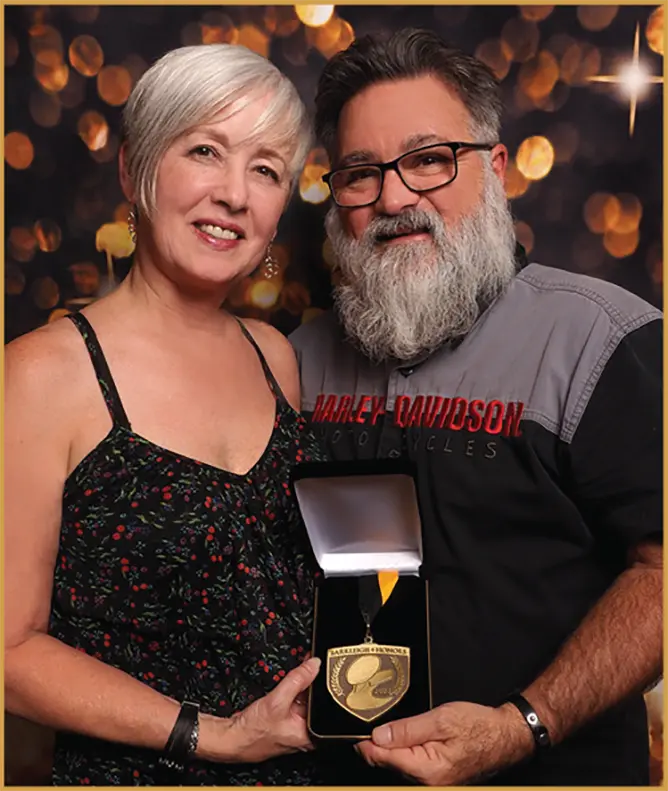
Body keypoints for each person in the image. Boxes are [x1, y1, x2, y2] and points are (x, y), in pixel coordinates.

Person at [290, 28, 662, 786]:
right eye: (361, 173)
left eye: (429, 160)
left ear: (495, 168)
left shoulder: (606, 338)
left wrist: (524, 723)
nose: (394, 198)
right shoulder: (299, 358)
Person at [5, 43, 327, 786]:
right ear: (135, 169)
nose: (235, 194)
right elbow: (9, 653)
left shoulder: (276, 356)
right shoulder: (43, 373)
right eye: (206, 150)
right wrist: (211, 734)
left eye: (266, 169)